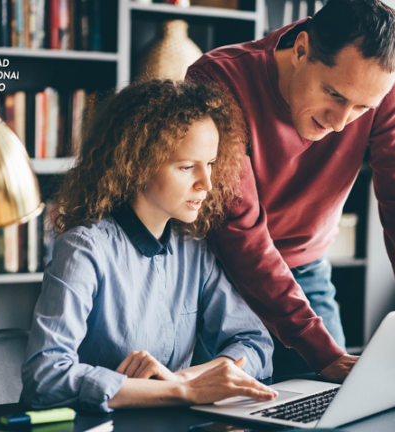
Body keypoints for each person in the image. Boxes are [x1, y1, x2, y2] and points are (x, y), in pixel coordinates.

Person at [186, 0, 395, 409]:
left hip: (306, 269)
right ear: (301, 49)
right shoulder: (219, 79)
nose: (341, 122)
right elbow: (240, 230)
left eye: (362, 108)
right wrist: (321, 351)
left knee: (332, 411)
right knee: (220, 415)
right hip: (215, 274)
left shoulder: (386, 89)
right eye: (333, 93)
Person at [20, 79, 276, 412]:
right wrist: (183, 392)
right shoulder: (84, 249)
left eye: (210, 164)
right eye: (187, 167)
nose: (207, 184)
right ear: (136, 165)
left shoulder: (193, 249)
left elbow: (255, 344)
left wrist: (185, 380)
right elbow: (45, 377)